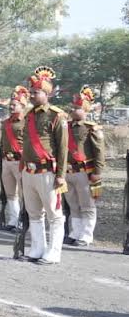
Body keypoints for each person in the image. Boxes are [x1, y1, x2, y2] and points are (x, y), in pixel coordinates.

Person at [20, 66, 68, 265]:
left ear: (47, 93)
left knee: (54, 215)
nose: (31, 95)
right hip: (29, 171)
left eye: (35, 92)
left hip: (47, 171)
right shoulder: (29, 114)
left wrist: (61, 175)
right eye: (31, 91)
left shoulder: (57, 115)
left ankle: (54, 252)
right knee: (34, 213)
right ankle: (37, 248)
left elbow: (63, 148)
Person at [64, 85, 105, 247]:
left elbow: (99, 151)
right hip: (68, 171)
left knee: (87, 205)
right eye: (73, 107)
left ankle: (86, 235)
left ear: (85, 110)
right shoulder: (65, 126)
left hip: (85, 172)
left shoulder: (91, 128)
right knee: (73, 205)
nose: (73, 110)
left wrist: (98, 171)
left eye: (77, 108)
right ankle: (75, 233)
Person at [0, 86, 30, 231]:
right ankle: (13, 220)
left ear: (22, 105)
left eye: (14, 104)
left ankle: (24, 221)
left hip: (20, 161)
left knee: (25, 193)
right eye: (10, 104)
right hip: (7, 161)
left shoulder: (27, 122)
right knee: (11, 193)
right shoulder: (5, 123)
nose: (11, 107)